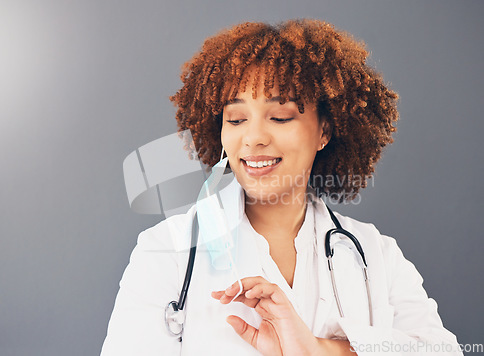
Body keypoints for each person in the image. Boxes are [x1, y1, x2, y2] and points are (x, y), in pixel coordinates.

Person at [101, 19, 462, 355]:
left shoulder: (376, 256)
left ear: (324, 131)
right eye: (237, 118)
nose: (254, 138)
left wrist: (319, 349)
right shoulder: (168, 252)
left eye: (280, 116)